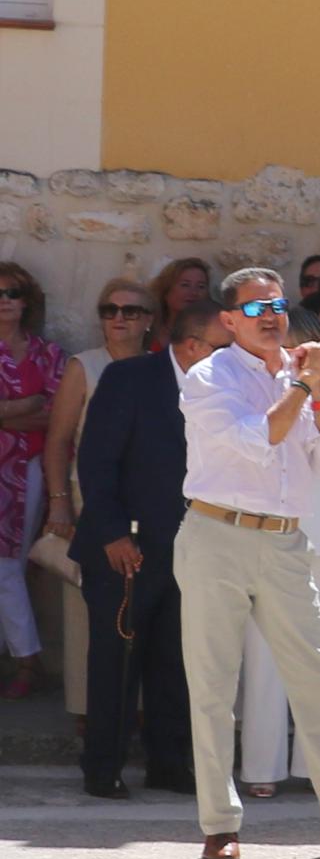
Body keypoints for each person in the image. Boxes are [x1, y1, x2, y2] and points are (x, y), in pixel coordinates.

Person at [173, 270, 320, 859]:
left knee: (319, 680)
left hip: (283, 542)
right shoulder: (208, 376)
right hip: (216, 535)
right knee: (214, 685)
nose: (270, 316)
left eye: (278, 305)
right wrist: (303, 383)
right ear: (229, 320)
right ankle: (219, 825)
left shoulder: (300, 376)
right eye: (255, 308)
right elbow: (260, 439)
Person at [72, 291, 205, 800]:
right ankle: (102, 766)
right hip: (124, 548)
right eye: (220, 344)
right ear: (192, 344)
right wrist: (111, 533)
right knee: (116, 661)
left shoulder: (222, 387)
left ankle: (169, 763)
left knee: (176, 660)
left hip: (190, 546)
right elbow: (97, 459)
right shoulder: (130, 378)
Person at [43, 273, 157, 748]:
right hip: (90, 502)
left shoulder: (160, 368)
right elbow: (60, 440)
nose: (118, 319)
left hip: (148, 508)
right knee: (88, 613)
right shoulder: (84, 366)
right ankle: (89, 712)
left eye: (130, 311)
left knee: (149, 613)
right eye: (109, 310)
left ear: (148, 320)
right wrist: (60, 504)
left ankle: (143, 711)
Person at [0, 260, 61, 696]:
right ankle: (26, 661)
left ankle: (24, 661)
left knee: (12, 566)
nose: (5, 302)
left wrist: (9, 413)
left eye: (12, 294)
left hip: (33, 469)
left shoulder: (47, 353)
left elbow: (56, 414)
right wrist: (27, 405)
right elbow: (37, 408)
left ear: (27, 301)